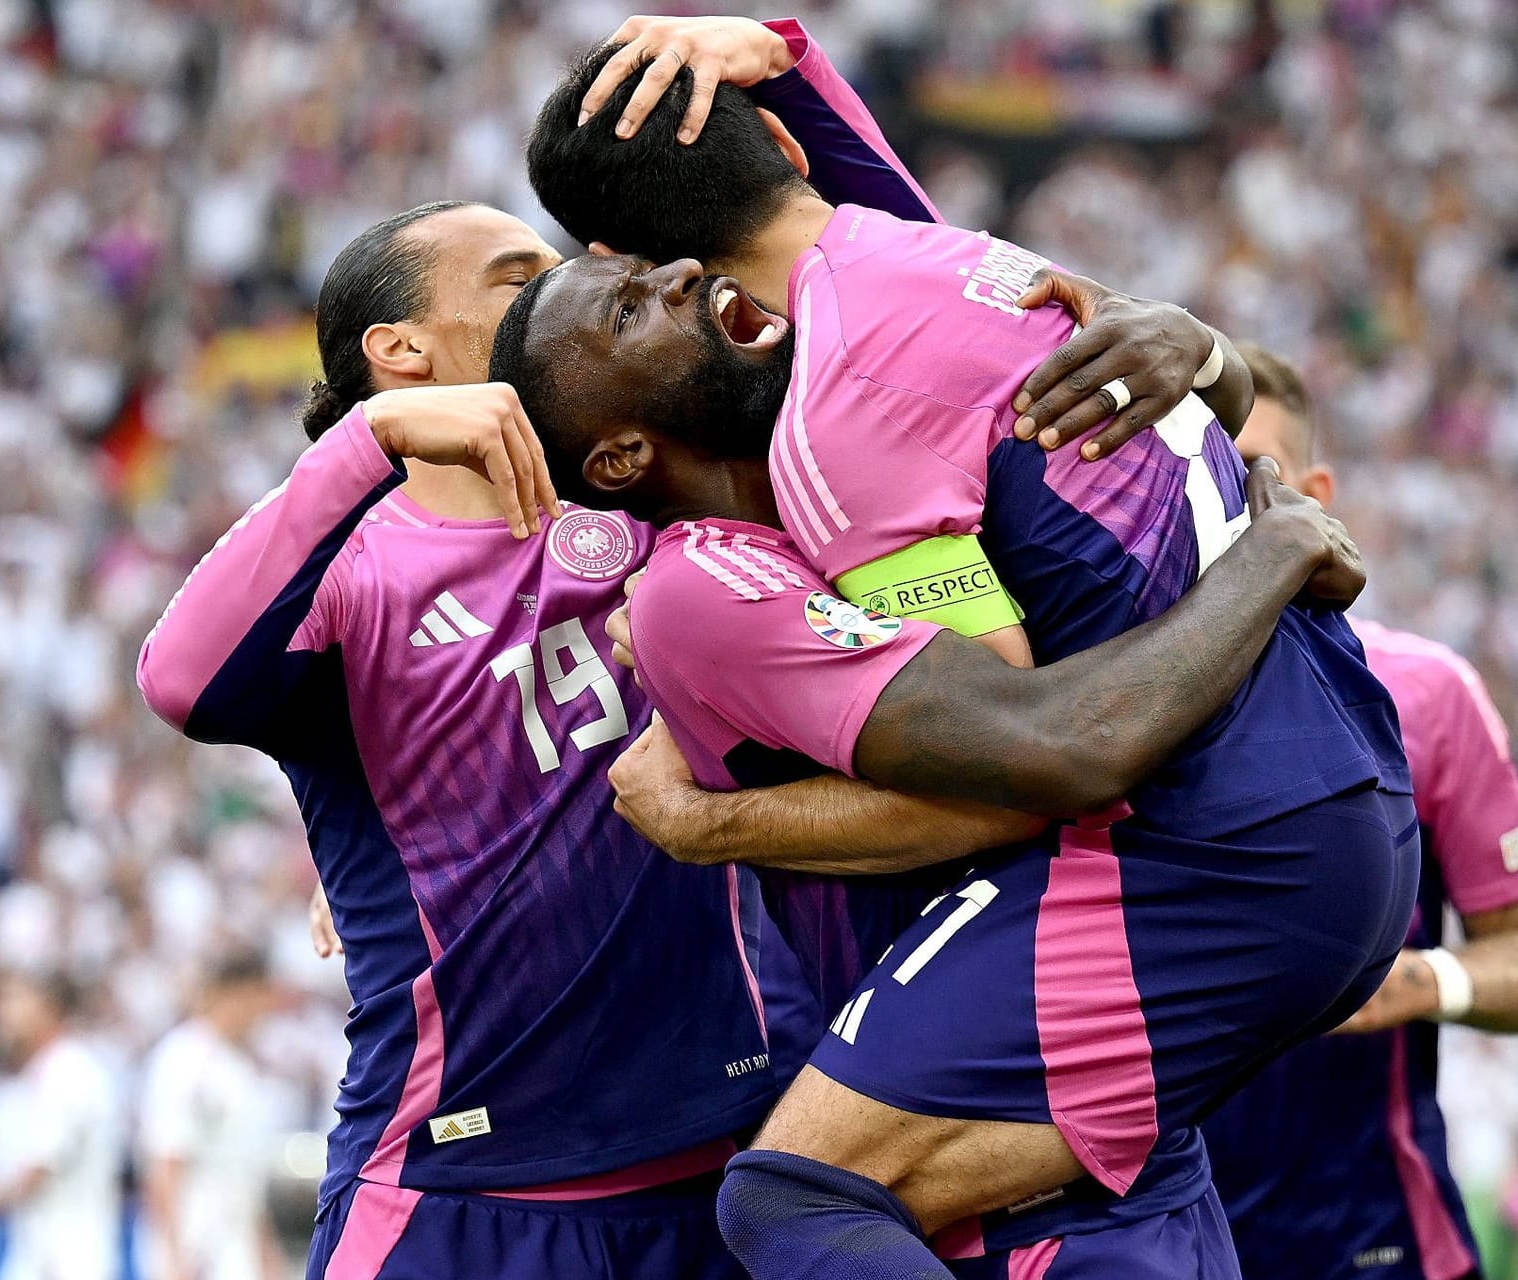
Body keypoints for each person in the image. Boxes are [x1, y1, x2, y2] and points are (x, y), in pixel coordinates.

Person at [136, 19, 1203, 1279]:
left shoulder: (663, 505)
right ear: (400, 355)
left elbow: (896, 294)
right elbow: (182, 677)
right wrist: (367, 448)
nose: (571, 274)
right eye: (512, 273)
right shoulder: (359, 572)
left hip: (724, 1161)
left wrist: (792, 69)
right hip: (471, 1181)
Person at [493, 42, 1418, 1278]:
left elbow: (1045, 755)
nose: (661, 283)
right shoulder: (935, 266)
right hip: (1311, 795)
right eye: (622, 300)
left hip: (1201, 856)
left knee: (790, 1198)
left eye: (642, 272)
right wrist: (1216, 376)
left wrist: (712, 825)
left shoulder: (829, 424)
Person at [1200, 345, 1518, 1280]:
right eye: (1194, 468)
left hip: (1373, 1238)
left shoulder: (1427, 694)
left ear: (1318, 493)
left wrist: (1421, 983)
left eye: (1251, 466)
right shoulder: (1079, 713)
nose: (1221, 501)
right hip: (1153, 1244)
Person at [0, 972, 123, 1280]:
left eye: (15, 1000)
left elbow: (36, 1173)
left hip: (73, 1260)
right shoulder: (38, 1075)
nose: (3, 1013)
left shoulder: (71, 1074)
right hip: (40, 1254)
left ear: (49, 1008)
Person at [139, 951, 294, 1280]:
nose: (264, 1010)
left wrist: (268, 1258)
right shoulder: (183, 1058)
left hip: (234, 1250)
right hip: (194, 1248)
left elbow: (243, 1180)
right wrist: (174, 1255)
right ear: (234, 993)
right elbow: (166, 1162)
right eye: (259, 996)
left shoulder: (237, 1066)